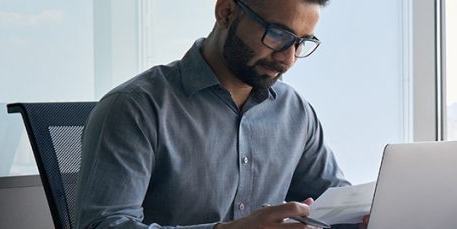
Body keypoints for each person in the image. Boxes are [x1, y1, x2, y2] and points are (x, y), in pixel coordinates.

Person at [74, 0, 360, 228]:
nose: (288, 58)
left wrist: (365, 216)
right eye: (277, 35)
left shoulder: (294, 111)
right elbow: (104, 225)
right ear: (226, 12)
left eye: (301, 42)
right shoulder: (134, 107)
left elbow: (339, 203)